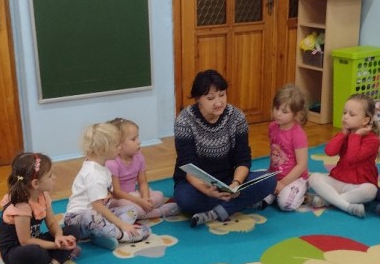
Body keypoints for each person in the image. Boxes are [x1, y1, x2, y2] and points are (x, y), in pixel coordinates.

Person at [172, 69, 277, 227]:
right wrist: (208, 191)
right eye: (211, 98)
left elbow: (243, 159)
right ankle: (240, 203)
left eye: (222, 95)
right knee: (185, 200)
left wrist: (236, 183)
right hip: (197, 184)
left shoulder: (237, 117)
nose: (219, 102)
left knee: (269, 180)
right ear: (198, 99)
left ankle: (217, 211)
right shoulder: (184, 121)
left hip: (228, 180)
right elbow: (188, 167)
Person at [64, 121, 151, 249]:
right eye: (117, 145)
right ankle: (123, 235)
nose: (120, 148)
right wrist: (122, 225)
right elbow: (98, 206)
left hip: (98, 216)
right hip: (77, 221)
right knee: (92, 216)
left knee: (131, 210)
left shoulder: (102, 166)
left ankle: (102, 235)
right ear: (103, 149)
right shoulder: (93, 174)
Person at [0, 152, 79, 264]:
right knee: (36, 252)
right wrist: (56, 246)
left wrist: (59, 237)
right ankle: (58, 259)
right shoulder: (22, 205)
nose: (54, 177)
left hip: (36, 240)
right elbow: (25, 241)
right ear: (35, 183)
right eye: (50, 175)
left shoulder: (43, 195)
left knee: (74, 230)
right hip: (16, 250)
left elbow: (52, 223)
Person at [307, 94, 380, 218]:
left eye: (352, 114)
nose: (345, 117)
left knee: (371, 191)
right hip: (339, 181)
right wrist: (343, 134)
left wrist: (356, 136)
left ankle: (328, 200)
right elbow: (329, 151)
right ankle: (346, 206)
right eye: (345, 113)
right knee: (313, 178)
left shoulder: (373, 140)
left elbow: (352, 157)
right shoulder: (345, 134)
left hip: (359, 185)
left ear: (365, 121)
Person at [106, 118, 179, 220]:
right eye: (133, 139)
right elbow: (116, 193)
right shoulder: (111, 163)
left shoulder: (138, 156)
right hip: (118, 199)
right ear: (118, 144)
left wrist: (145, 199)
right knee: (130, 207)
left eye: (138, 138)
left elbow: (143, 182)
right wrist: (140, 202)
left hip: (134, 194)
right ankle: (160, 212)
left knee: (159, 195)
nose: (139, 142)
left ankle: (141, 211)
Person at [263, 83, 310, 211]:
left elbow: (302, 165)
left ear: (296, 114)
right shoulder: (272, 127)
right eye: (276, 108)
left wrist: (283, 183)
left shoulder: (298, 134)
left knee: (286, 204)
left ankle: (303, 190)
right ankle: (275, 193)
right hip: (274, 174)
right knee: (254, 196)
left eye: (284, 111)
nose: (278, 114)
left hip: (295, 178)